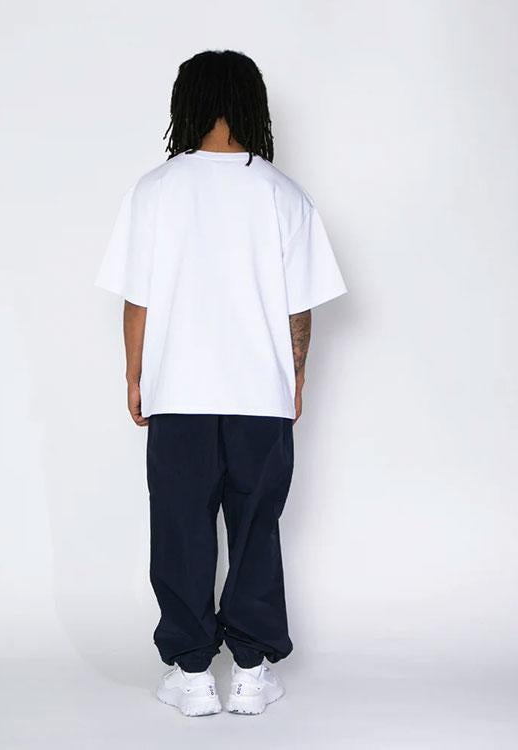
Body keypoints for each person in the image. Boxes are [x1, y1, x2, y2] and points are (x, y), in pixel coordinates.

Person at [95, 49, 347, 716]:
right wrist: (296, 377)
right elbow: (299, 308)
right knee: (256, 526)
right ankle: (254, 673)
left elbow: (138, 298)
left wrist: (134, 374)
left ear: (187, 103)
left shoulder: (155, 190)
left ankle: (192, 674)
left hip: (179, 391)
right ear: (251, 104)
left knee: (181, 528)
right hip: (260, 394)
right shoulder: (283, 194)